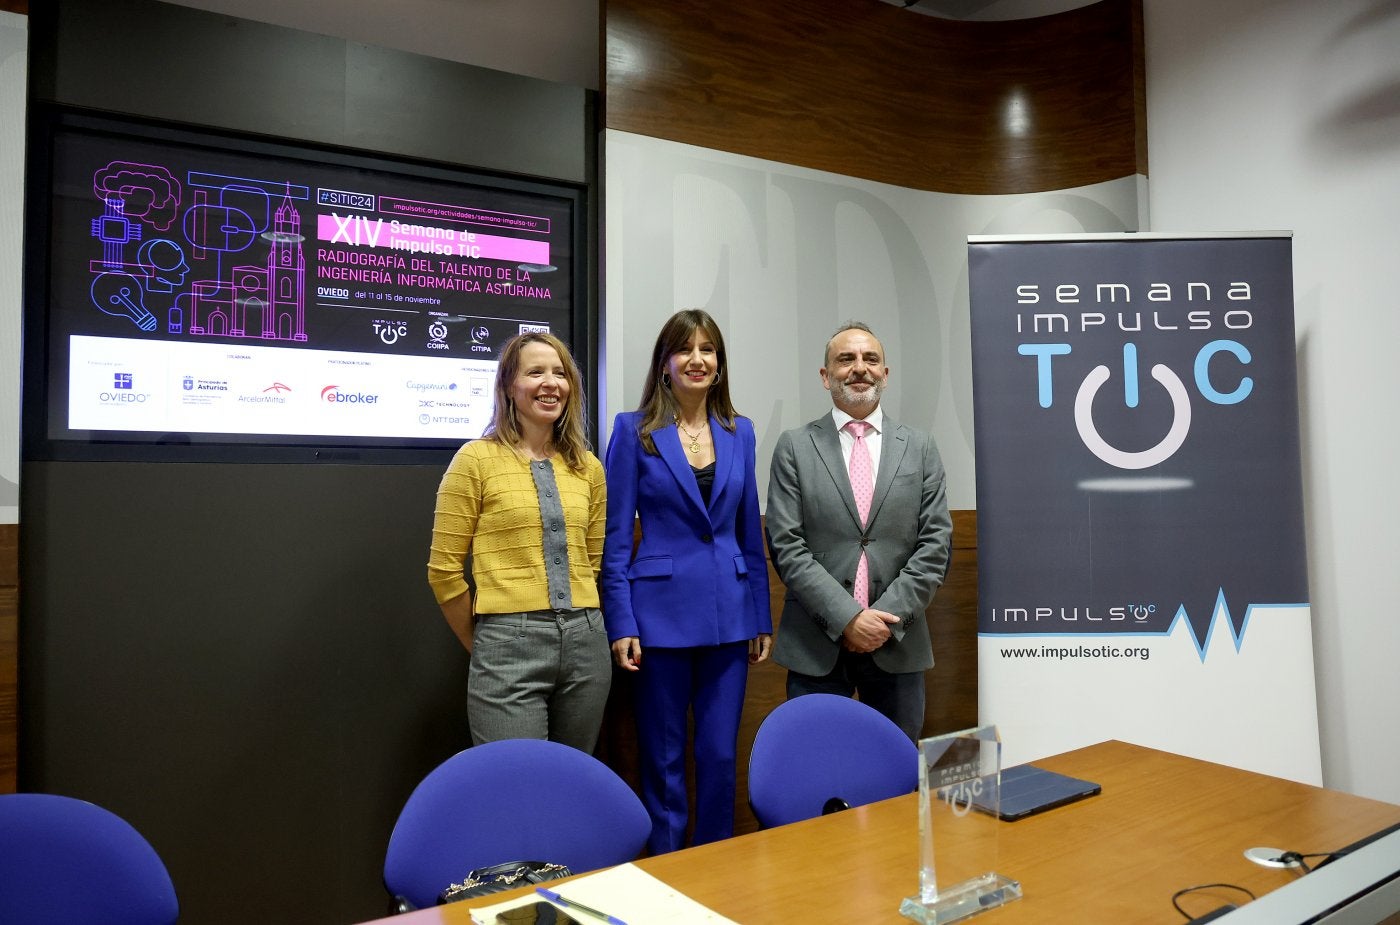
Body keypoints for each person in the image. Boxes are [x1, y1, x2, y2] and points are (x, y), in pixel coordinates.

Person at [601, 308, 772, 854]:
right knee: (665, 758)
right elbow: (613, 537)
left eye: (708, 350)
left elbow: (749, 531)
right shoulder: (633, 430)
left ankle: (718, 871)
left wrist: (761, 614)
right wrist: (620, 620)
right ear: (665, 363)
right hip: (659, 619)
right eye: (685, 349)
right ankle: (670, 874)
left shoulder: (739, 431)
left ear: (719, 365)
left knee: (720, 756)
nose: (697, 359)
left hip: (730, 617)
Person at [765, 321, 951, 741]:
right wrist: (848, 618)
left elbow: (935, 544)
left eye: (871, 359)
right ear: (825, 375)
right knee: (814, 774)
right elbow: (787, 546)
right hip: (816, 645)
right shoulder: (795, 446)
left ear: (886, 373)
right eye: (845, 359)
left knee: (897, 781)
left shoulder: (920, 447)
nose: (859, 368)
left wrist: (882, 621)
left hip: (898, 642)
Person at [427, 332, 610, 751]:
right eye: (535, 372)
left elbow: (593, 564)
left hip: (587, 645)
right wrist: (489, 646)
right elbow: (443, 572)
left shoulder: (589, 469)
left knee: (572, 784)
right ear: (509, 386)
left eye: (560, 373)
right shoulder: (475, 460)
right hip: (507, 645)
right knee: (516, 786)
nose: (551, 383)